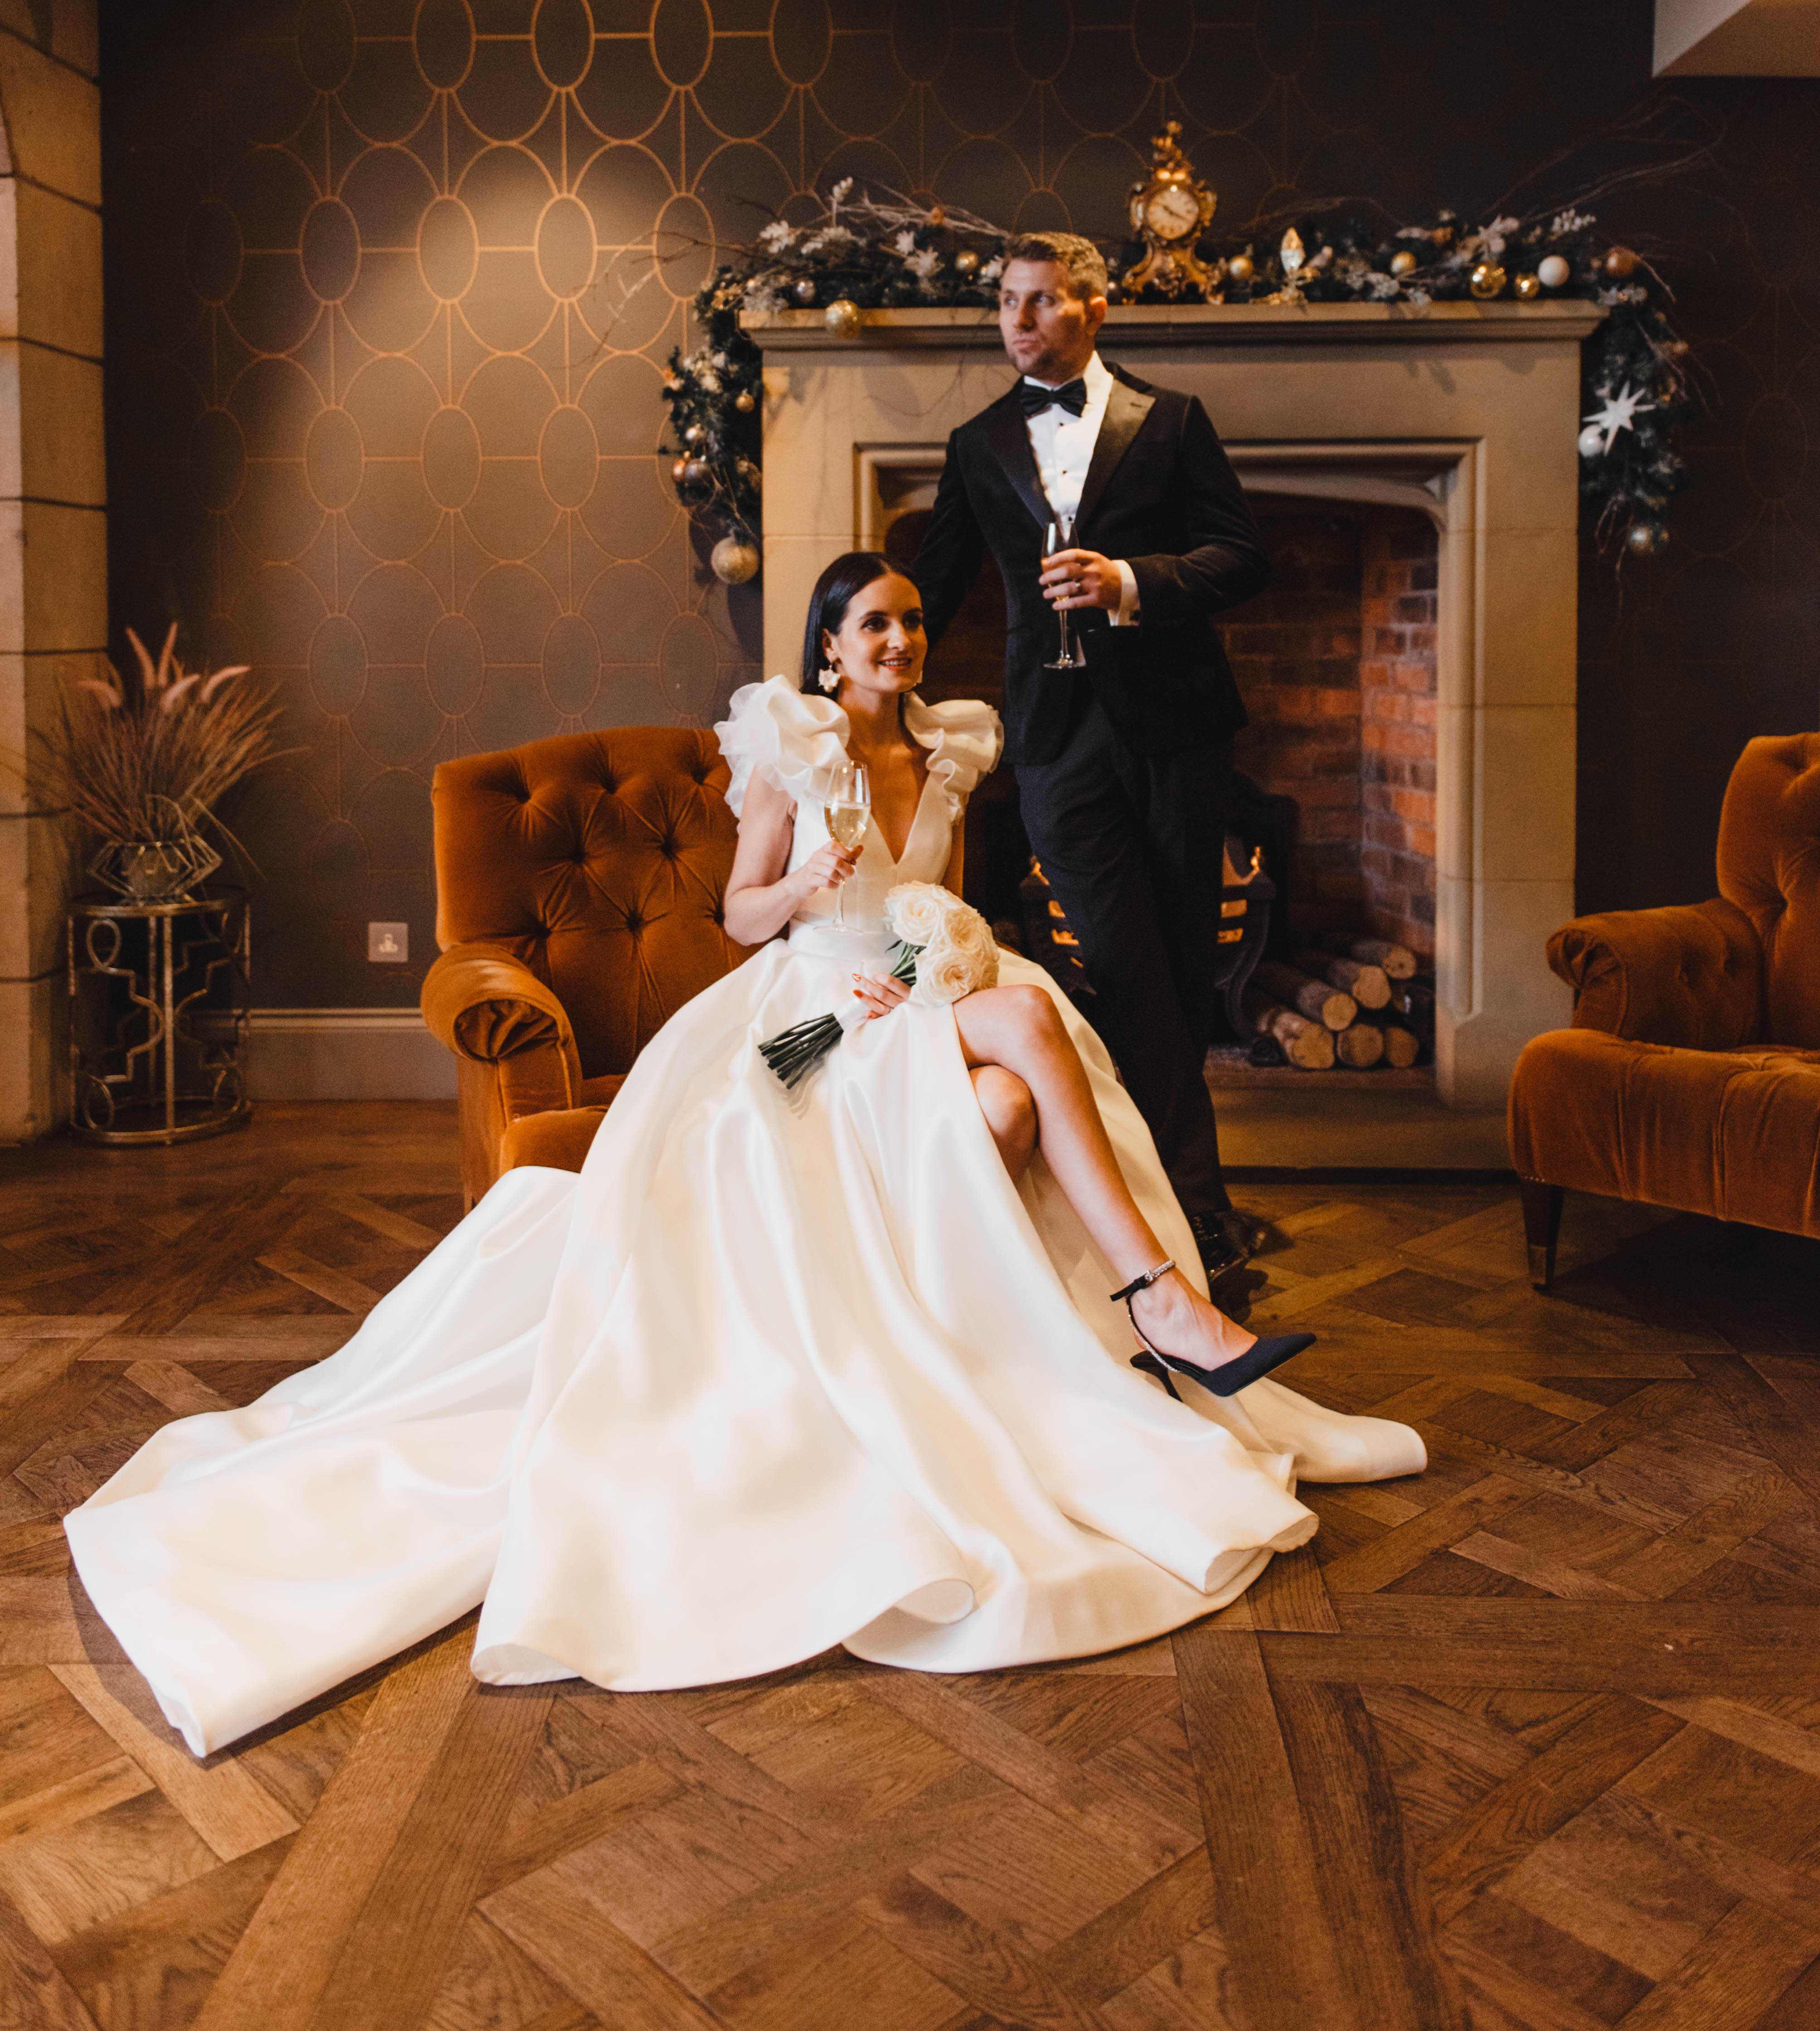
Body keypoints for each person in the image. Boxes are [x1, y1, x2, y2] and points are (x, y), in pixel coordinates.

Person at [64, 556, 1422, 1760]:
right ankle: (1156, 1301)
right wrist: (813, 885)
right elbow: (738, 914)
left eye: (910, 622)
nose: (898, 642)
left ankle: (1015, 1332)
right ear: (829, 647)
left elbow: (949, 908)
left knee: (1011, 1094)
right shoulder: (792, 755)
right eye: (872, 625)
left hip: (915, 997)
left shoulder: (948, 753)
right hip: (811, 1019)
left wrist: (930, 959)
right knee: (1017, 1045)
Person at [916, 233, 1269, 1283]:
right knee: (1120, 965)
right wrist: (840, 676)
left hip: (1175, 731)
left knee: (1180, 965)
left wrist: (1129, 581)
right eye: (1007, 302)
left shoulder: (1172, 421)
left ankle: (1168, 1209)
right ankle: (1191, 1212)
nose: (1019, 321)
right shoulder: (976, 443)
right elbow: (931, 586)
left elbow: (1242, 557)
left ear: (1094, 309)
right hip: (1053, 745)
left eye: (1042, 301)